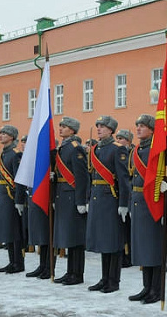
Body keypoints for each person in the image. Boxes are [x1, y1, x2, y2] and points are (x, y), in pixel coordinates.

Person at [86, 116, 130, 293]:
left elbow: (123, 179)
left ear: (111, 130)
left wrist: (123, 203)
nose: (99, 129)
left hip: (111, 199)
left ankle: (114, 281)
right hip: (98, 198)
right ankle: (104, 278)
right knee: (104, 241)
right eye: (98, 126)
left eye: (103, 127)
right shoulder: (96, 149)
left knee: (113, 241)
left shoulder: (117, 149)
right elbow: (92, 177)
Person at [127, 115, 164, 304]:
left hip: (151, 201)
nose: (138, 129)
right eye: (137, 125)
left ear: (151, 129)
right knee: (143, 246)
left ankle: (156, 289)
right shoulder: (136, 150)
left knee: (153, 247)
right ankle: (146, 286)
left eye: (142, 126)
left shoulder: (155, 150)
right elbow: (131, 179)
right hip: (137, 201)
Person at [53, 117, 89, 285]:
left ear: (73, 130)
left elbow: (81, 177)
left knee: (75, 238)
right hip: (62, 195)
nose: (61, 129)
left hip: (72, 196)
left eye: (65, 127)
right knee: (68, 236)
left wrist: (81, 200)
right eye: (60, 126)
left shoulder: (76, 149)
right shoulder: (63, 148)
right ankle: (70, 272)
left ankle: (77, 273)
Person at [0, 125, 25, 274]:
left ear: (12, 137)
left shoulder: (15, 154)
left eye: (4, 134)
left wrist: (18, 200)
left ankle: (18, 262)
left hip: (10, 196)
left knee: (14, 231)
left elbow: (19, 179)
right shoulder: (2, 154)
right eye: (1, 133)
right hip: (2, 196)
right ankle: (12, 261)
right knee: (6, 230)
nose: (1, 136)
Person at [116, 128, 134, 268]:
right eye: (117, 138)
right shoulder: (117, 152)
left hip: (132, 194)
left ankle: (130, 255)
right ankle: (123, 254)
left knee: (130, 228)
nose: (119, 141)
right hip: (121, 194)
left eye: (121, 139)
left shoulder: (133, 154)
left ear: (128, 141)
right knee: (121, 228)